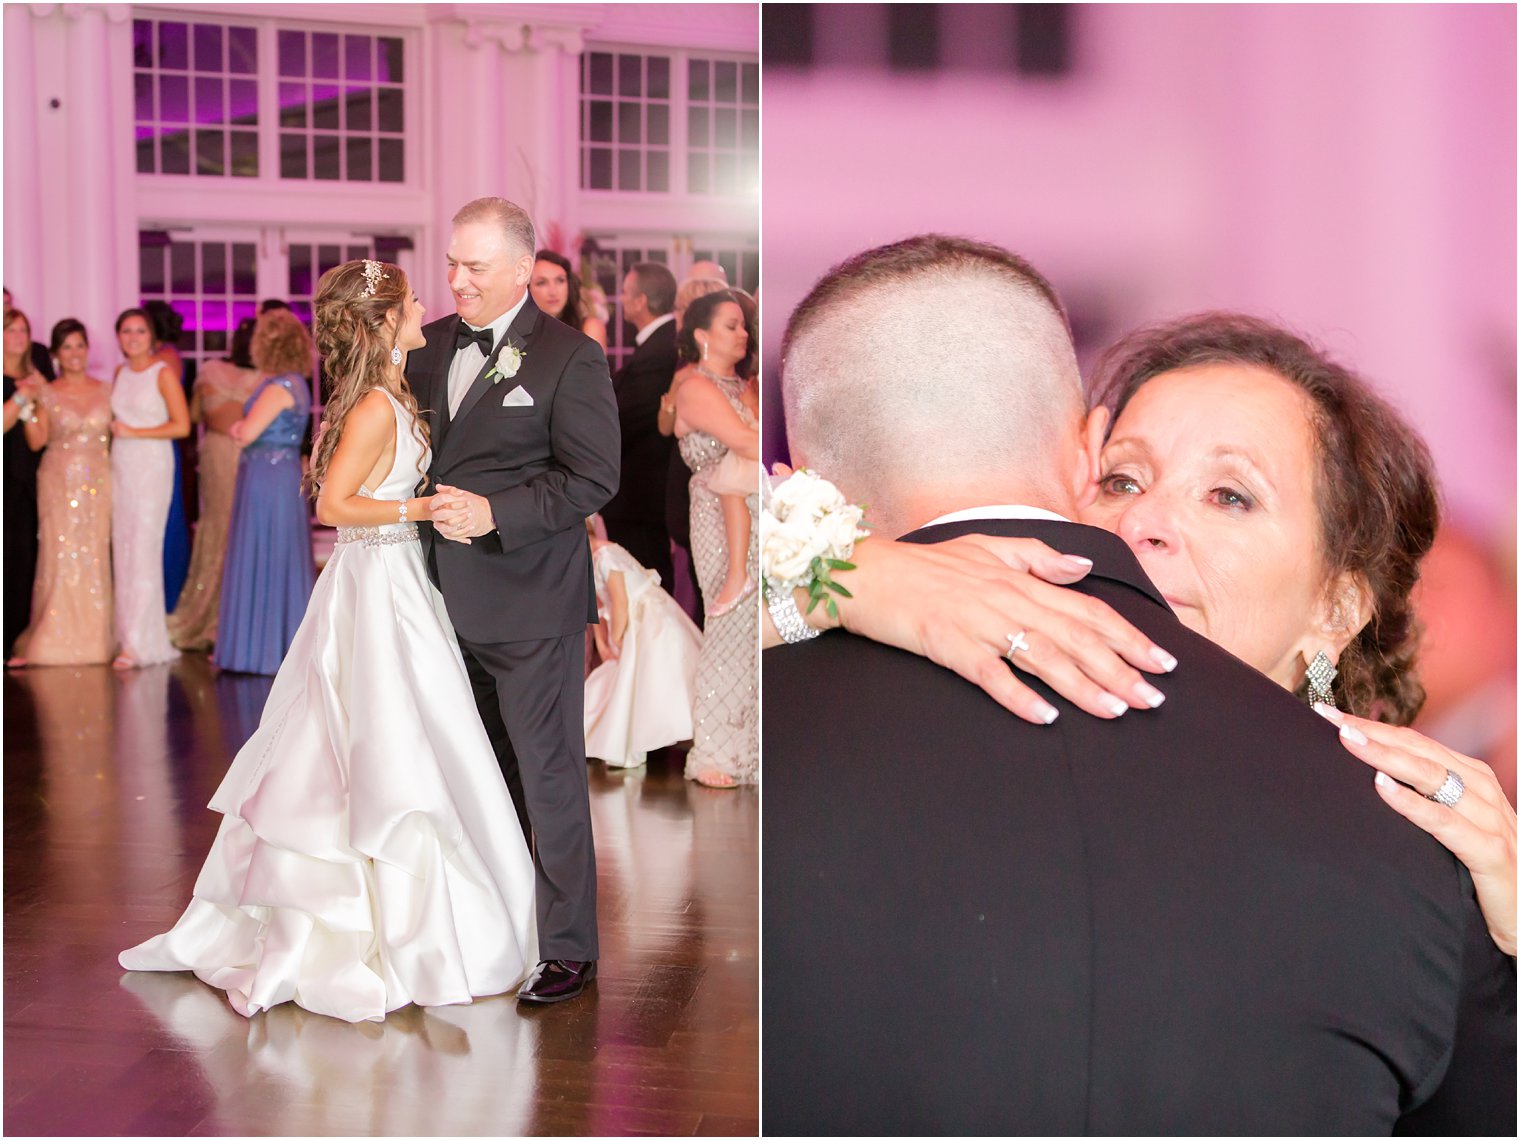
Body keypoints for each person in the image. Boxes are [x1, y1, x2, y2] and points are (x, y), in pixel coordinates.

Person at [762, 235, 1515, 1134]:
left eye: (1229, 496)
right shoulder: (849, 654)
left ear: (1334, 607)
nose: (1148, 521)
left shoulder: (1429, 859)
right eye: (1122, 478)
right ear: (1074, 475)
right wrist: (835, 580)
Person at [120, 258, 538, 1022]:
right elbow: (339, 506)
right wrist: (420, 513)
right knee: (381, 742)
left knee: (405, 740)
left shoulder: (389, 393)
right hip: (375, 590)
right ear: (383, 322)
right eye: (412, 301)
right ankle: (369, 927)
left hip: (397, 584)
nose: (423, 308)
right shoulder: (377, 405)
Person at [405, 197, 620, 1005]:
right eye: (452, 263)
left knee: (548, 777)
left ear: (523, 270)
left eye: (474, 266)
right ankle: (487, 924)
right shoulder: (423, 349)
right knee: (471, 774)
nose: (455, 280)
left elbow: (594, 476)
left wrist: (499, 514)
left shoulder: (571, 357)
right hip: (433, 606)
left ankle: (568, 948)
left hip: (531, 605)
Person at [673, 289, 760, 787]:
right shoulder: (695, 386)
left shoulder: (743, 387)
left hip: (755, 513)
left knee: (754, 631)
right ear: (702, 334)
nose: (743, 333)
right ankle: (713, 754)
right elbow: (747, 441)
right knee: (729, 621)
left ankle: (749, 749)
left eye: (745, 325)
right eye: (731, 325)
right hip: (715, 514)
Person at [212, 311, 316, 675]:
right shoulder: (298, 384)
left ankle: (262, 652)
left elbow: (245, 433)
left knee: (264, 553)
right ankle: (280, 646)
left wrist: (239, 425)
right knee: (280, 555)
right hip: (281, 475)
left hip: (265, 480)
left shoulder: (278, 387)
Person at [8, 319, 113, 666]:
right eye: (66, 347)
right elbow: (37, 439)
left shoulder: (108, 389)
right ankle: (51, 638)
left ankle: (96, 639)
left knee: (95, 554)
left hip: (99, 480)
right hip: (57, 481)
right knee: (59, 554)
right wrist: (26, 405)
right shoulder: (48, 391)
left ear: (88, 349)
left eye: (79, 345)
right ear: (55, 354)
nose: (74, 353)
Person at [168, 317, 261, 651]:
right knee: (231, 528)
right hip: (244, 454)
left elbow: (196, 415)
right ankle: (227, 618)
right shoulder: (267, 379)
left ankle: (220, 617)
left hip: (224, 453)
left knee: (222, 527)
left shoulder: (210, 372)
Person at [584, 516, 703, 769]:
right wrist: (602, 642)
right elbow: (595, 604)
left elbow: (620, 600)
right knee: (621, 680)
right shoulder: (587, 562)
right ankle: (621, 745)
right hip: (623, 619)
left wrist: (616, 638)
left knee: (650, 677)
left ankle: (639, 743)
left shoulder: (606, 555)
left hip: (644, 617)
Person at [110, 307, 189, 669]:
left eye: (140, 331)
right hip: (121, 465)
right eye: (126, 331)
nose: (133, 337)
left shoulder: (162, 373)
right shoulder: (119, 373)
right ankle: (128, 634)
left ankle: (141, 644)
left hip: (152, 464)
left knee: (143, 546)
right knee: (124, 546)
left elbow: (182, 426)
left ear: (151, 336)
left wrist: (135, 432)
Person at [602, 261, 679, 591]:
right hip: (638, 496)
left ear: (641, 301)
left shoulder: (661, 349)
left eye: (626, 292)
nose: (621, 299)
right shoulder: (655, 344)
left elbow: (626, 417)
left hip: (641, 496)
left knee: (648, 587)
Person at [659, 276, 731, 624]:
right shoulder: (683, 369)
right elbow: (665, 427)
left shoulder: (735, 373)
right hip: (687, 472)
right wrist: (672, 405)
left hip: (723, 479)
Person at [3, 308, 47, 659]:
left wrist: (34, 398)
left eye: (23, 330)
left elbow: (38, 436)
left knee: (23, 558)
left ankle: (12, 641)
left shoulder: (36, 375)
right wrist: (20, 397)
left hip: (28, 475)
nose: (18, 336)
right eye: (10, 330)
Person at [529, 249, 608, 350]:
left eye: (560, 280)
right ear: (527, 288)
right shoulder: (518, 331)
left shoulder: (589, 327)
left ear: (569, 285)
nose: (553, 292)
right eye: (542, 283)